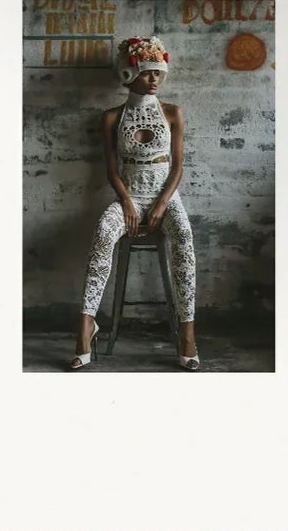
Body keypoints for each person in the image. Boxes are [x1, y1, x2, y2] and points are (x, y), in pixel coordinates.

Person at [72, 35, 198, 370]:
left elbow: (178, 167)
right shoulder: (112, 117)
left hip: (165, 198)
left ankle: (187, 335)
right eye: (147, 72)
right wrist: (126, 203)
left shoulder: (173, 113)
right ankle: (86, 326)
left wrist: (161, 205)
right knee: (102, 232)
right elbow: (112, 171)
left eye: (158, 72)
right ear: (130, 75)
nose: (154, 79)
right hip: (129, 196)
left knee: (184, 237)